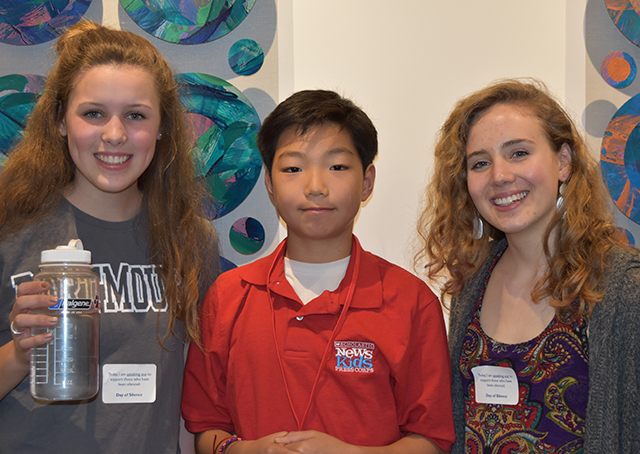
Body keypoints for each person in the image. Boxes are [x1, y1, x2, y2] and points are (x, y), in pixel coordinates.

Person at [182, 89, 455, 454]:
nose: (315, 187)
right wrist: (249, 450)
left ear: (367, 182)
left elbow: (431, 439)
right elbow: (206, 429)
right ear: (269, 184)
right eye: (293, 168)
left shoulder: (410, 301)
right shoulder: (229, 295)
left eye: (337, 167)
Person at [0, 21, 219, 453]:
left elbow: (195, 397)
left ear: (161, 128)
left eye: (136, 115)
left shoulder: (191, 240)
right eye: (93, 113)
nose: (115, 134)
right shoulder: (10, 228)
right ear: (60, 120)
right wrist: (20, 354)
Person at [416, 79, 640, 453]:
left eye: (518, 153)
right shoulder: (472, 282)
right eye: (480, 163)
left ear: (564, 162)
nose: (499, 176)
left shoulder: (623, 287)